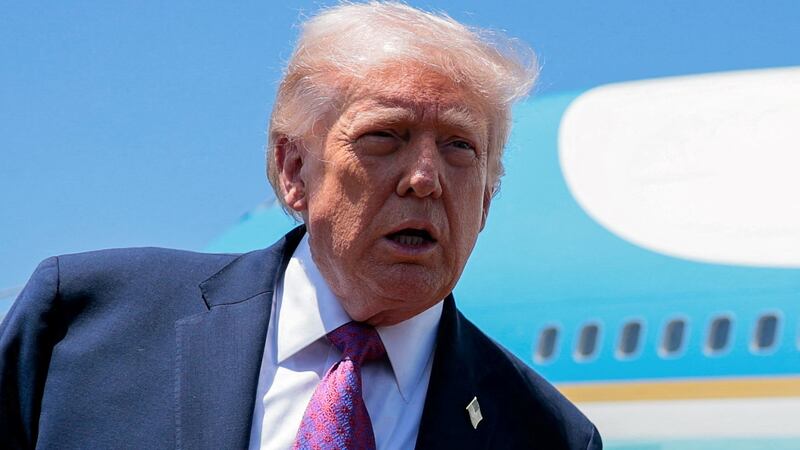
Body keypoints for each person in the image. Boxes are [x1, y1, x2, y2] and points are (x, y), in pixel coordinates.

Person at [0, 2, 601, 449]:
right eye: (383, 136)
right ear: (294, 169)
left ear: (488, 199)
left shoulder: (549, 434)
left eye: (459, 148)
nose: (425, 178)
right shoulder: (81, 328)